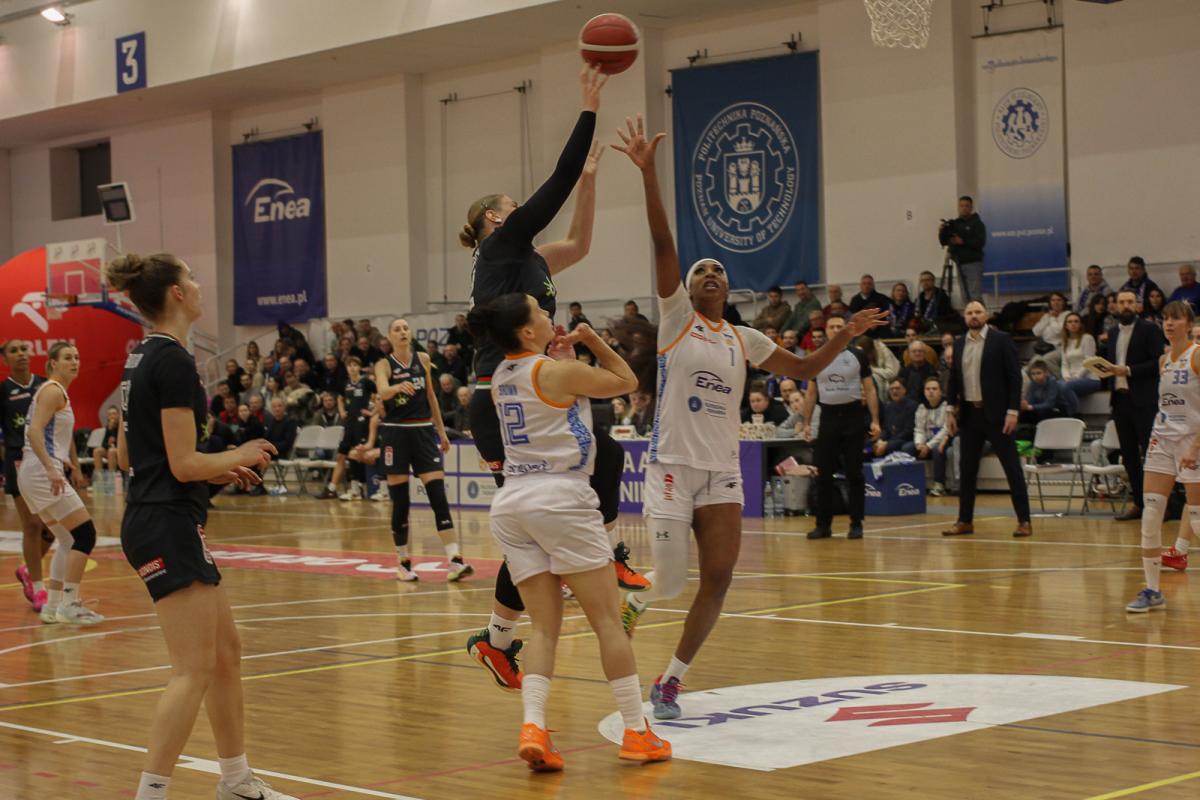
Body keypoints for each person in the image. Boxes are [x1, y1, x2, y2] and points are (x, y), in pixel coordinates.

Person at [612, 114, 886, 718]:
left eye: (718, 270)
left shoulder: (746, 339)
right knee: (672, 582)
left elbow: (806, 369)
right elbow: (663, 244)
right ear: (687, 290)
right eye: (701, 271)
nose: (710, 273)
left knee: (719, 579)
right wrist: (648, 173)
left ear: (728, 287)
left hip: (722, 470)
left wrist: (845, 336)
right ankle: (632, 602)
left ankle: (670, 682)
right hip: (671, 465)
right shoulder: (676, 320)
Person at [459, 66, 650, 693]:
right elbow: (554, 185)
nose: (521, 208)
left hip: (528, 386)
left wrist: (590, 179)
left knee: (603, 459)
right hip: (498, 397)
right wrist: (588, 108)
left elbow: (581, 242)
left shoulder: (529, 258)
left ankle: (497, 640)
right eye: (512, 206)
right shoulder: (500, 246)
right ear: (495, 217)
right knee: (543, 516)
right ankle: (513, 628)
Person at [106, 253, 295, 800]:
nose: (198, 284)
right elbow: (184, 463)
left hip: (163, 515)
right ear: (176, 294)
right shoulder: (172, 361)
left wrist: (219, 469)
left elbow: (130, 456)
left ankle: (235, 780)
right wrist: (238, 453)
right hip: (164, 522)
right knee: (192, 668)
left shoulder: (140, 357)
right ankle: (151, 793)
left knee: (225, 652)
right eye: (190, 277)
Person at [468, 295, 671, 768]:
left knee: (544, 628)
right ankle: (637, 732)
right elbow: (627, 380)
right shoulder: (556, 373)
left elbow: (556, 401)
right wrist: (592, 340)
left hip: (513, 503)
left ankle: (534, 726)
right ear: (526, 331)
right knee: (608, 621)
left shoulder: (501, 377)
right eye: (539, 312)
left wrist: (561, 356)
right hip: (560, 497)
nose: (548, 315)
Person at [374, 318, 472, 582]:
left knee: (438, 496)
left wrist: (441, 431)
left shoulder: (423, 359)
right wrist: (397, 387)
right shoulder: (384, 364)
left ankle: (455, 559)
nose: (403, 332)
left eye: (406, 328)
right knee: (401, 502)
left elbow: (431, 397)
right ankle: (403, 561)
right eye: (397, 329)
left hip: (422, 431)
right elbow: (382, 391)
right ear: (389, 337)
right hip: (395, 433)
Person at [18, 343, 105, 626]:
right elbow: (34, 431)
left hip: (35, 472)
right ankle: (70, 604)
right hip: (41, 472)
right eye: (68, 357)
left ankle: (53, 606)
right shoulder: (53, 390)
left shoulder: (55, 392)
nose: (74, 362)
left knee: (67, 539)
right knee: (85, 534)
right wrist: (50, 467)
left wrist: (68, 464)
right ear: (53, 363)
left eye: (77, 357)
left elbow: (51, 435)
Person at [1123, 301, 1200, 612]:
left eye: (1176, 318)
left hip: (1192, 440)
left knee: (1197, 518)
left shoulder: (1197, 355)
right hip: (1163, 438)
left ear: (1188, 324)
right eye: (1166, 318)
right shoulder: (1162, 360)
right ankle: (1153, 590)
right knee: (1151, 513)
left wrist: (1195, 447)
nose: (1169, 323)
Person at [943, 300, 1033, 538]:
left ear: (986, 315)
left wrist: (1013, 411)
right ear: (964, 317)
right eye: (969, 312)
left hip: (998, 415)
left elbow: (1015, 378)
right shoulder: (959, 344)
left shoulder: (1001, 340)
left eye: (978, 312)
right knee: (967, 470)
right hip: (970, 415)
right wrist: (950, 410)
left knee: (1012, 468)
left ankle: (1024, 520)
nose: (973, 316)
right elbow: (954, 380)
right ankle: (965, 521)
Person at [802, 314, 880, 539]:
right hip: (828, 417)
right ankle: (823, 524)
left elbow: (870, 389)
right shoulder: (817, 356)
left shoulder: (858, 355)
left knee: (854, 472)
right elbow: (811, 393)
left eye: (839, 326)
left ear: (847, 329)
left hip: (853, 416)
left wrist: (875, 420)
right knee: (823, 474)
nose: (836, 330)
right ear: (826, 331)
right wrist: (806, 423)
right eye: (832, 327)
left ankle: (856, 524)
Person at [1095, 289, 1166, 521]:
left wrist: (1128, 370)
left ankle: (1160, 505)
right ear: (1115, 305)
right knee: (1128, 455)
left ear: (1137, 305)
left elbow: (1157, 362)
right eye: (1121, 302)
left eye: (1130, 302)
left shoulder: (1150, 329)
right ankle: (1139, 502)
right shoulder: (1113, 332)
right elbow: (1113, 365)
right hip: (1120, 399)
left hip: (1144, 401)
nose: (1125, 305)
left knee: (1151, 454)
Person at [2, 339, 54, 613]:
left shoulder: (45, 386)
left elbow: (62, 422)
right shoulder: (3, 391)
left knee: (55, 527)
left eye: (24, 349)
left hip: (48, 460)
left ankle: (26, 569)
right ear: (5, 359)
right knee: (32, 524)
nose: (21, 354)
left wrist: (72, 462)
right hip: (18, 461)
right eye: (14, 351)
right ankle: (39, 587)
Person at [319, 355, 376, 499]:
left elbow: (380, 395)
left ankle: (359, 487)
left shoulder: (366, 382)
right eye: (350, 366)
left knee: (357, 455)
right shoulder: (345, 383)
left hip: (362, 423)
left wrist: (372, 412)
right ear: (346, 368)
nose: (352, 368)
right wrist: (342, 411)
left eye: (355, 365)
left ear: (360, 367)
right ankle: (332, 489)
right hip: (349, 424)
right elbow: (339, 398)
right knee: (342, 455)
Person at [906, 377, 952, 496]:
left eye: (934, 389)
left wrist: (928, 446)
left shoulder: (947, 406)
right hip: (925, 441)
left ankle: (939, 484)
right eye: (928, 389)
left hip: (943, 440)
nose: (931, 391)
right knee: (907, 448)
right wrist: (919, 444)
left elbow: (946, 430)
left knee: (937, 451)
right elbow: (919, 429)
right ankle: (910, 483)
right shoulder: (921, 407)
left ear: (941, 391)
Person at [938, 195, 987, 303]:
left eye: (966, 206)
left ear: (971, 208)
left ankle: (979, 313)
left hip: (973, 263)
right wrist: (941, 232)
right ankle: (968, 314)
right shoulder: (955, 223)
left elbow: (980, 242)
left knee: (975, 295)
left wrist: (963, 241)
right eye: (961, 206)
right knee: (964, 295)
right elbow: (944, 241)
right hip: (959, 263)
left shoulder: (977, 223)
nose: (964, 208)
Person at [1019, 359, 1078, 429]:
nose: (1035, 376)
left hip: (1058, 410)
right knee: (1023, 415)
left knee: (1043, 414)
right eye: (1033, 374)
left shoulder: (1052, 382)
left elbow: (1050, 404)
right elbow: (1031, 402)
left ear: (1046, 373)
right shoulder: (1033, 384)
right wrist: (1025, 406)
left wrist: (1030, 407)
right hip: (1043, 410)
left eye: (1038, 373)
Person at [1060, 312, 1101, 398]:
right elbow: (1064, 364)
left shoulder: (1087, 338)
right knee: (1053, 386)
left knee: (1065, 387)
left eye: (1076, 321)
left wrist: (1076, 377)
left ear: (1080, 324)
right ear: (1066, 326)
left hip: (1090, 378)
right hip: (1071, 379)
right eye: (1070, 322)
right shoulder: (1064, 342)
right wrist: (1067, 377)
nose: (1073, 324)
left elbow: (1089, 362)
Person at [874, 378, 918, 457]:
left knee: (891, 446)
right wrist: (881, 440)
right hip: (891, 439)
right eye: (891, 389)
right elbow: (885, 429)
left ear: (904, 390)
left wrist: (887, 443)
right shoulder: (888, 407)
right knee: (870, 446)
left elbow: (908, 432)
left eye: (897, 388)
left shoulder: (912, 406)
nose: (894, 391)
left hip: (906, 439)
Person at [93, 404, 122, 477]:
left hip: (121, 451)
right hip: (111, 450)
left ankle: (112, 478)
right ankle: (99, 477)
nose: (112, 416)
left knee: (111, 451)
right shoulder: (108, 427)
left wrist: (113, 434)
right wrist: (110, 430)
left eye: (114, 414)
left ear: (118, 415)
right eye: (109, 414)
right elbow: (104, 444)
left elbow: (122, 444)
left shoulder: (122, 427)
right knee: (97, 451)